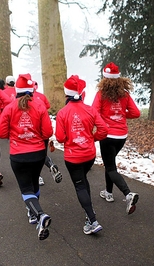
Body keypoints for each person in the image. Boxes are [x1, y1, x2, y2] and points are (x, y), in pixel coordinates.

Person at [0, 73, 53, 240]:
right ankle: (32, 213)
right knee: (34, 183)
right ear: (31, 90)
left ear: (17, 90)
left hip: (19, 155)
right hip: (37, 155)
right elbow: (48, 132)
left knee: (26, 189)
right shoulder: (40, 106)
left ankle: (40, 215)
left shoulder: (9, 108)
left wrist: (16, 136)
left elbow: (0, 132)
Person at [56, 75, 108, 234]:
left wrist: (70, 138)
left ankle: (92, 221)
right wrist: (92, 138)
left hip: (73, 157)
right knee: (83, 181)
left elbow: (59, 137)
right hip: (89, 155)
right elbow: (104, 130)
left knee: (79, 185)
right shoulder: (90, 110)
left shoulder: (62, 113)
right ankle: (89, 212)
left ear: (66, 94)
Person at [92, 62, 140, 215]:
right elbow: (136, 113)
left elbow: (94, 112)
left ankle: (128, 194)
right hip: (121, 136)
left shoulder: (101, 93)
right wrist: (121, 115)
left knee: (111, 167)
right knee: (110, 163)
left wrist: (103, 122)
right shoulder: (125, 94)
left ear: (104, 78)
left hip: (107, 135)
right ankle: (108, 192)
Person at [33, 81, 62, 186]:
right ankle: (51, 165)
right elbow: (48, 107)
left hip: (33, 131)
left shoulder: (24, 100)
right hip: (44, 128)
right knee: (42, 154)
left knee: (32, 155)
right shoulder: (41, 96)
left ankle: (38, 177)